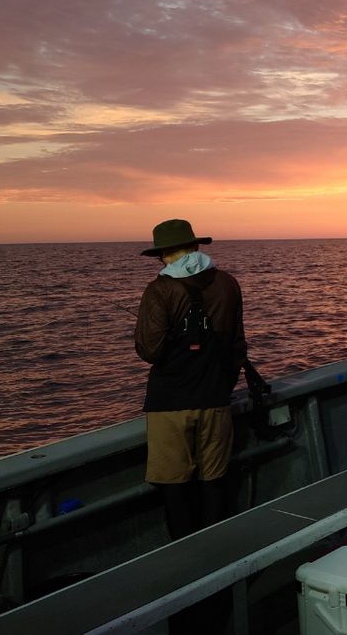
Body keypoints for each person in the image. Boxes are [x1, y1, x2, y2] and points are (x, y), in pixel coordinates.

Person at [135, 218, 247, 541]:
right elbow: (237, 345)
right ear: (196, 245)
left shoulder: (160, 290)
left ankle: (187, 562)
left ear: (164, 254)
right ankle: (216, 556)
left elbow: (149, 350)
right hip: (215, 400)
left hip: (169, 405)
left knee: (175, 488)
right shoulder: (228, 284)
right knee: (214, 483)